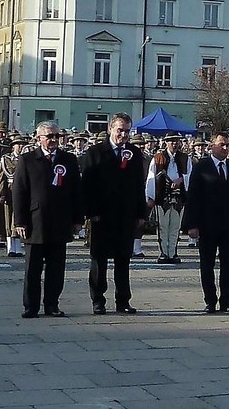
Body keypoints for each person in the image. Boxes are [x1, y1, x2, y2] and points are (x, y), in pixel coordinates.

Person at [12, 121, 83, 318]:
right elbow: (19, 192)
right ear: (39, 138)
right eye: (49, 136)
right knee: (32, 269)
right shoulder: (27, 160)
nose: (53, 140)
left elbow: (77, 191)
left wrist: (77, 219)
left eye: (56, 136)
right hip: (35, 221)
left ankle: (52, 304)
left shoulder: (68, 159)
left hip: (60, 221)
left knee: (56, 268)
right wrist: (20, 221)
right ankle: (31, 306)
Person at [81, 113, 147, 315]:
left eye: (127, 131)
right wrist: (91, 212)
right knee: (99, 260)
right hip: (101, 216)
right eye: (120, 130)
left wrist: (140, 213)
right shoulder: (95, 152)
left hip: (126, 216)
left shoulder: (134, 154)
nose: (123, 135)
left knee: (123, 259)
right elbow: (87, 186)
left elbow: (139, 185)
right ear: (111, 129)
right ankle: (98, 300)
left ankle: (123, 300)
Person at [182, 133, 229, 314]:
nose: (226, 148)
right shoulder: (201, 167)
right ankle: (210, 300)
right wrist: (192, 225)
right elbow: (193, 197)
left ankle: (227, 300)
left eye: (228, 145)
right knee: (207, 264)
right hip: (207, 224)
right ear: (212, 146)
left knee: (228, 264)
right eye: (222, 145)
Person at [147, 133, 191, 264]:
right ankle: (163, 253)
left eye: (176, 141)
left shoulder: (184, 158)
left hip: (179, 197)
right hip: (162, 197)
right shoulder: (158, 158)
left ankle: (173, 252)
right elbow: (150, 177)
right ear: (166, 142)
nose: (174, 143)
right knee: (163, 226)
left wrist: (182, 179)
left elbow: (190, 174)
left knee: (175, 227)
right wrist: (150, 196)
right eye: (171, 141)